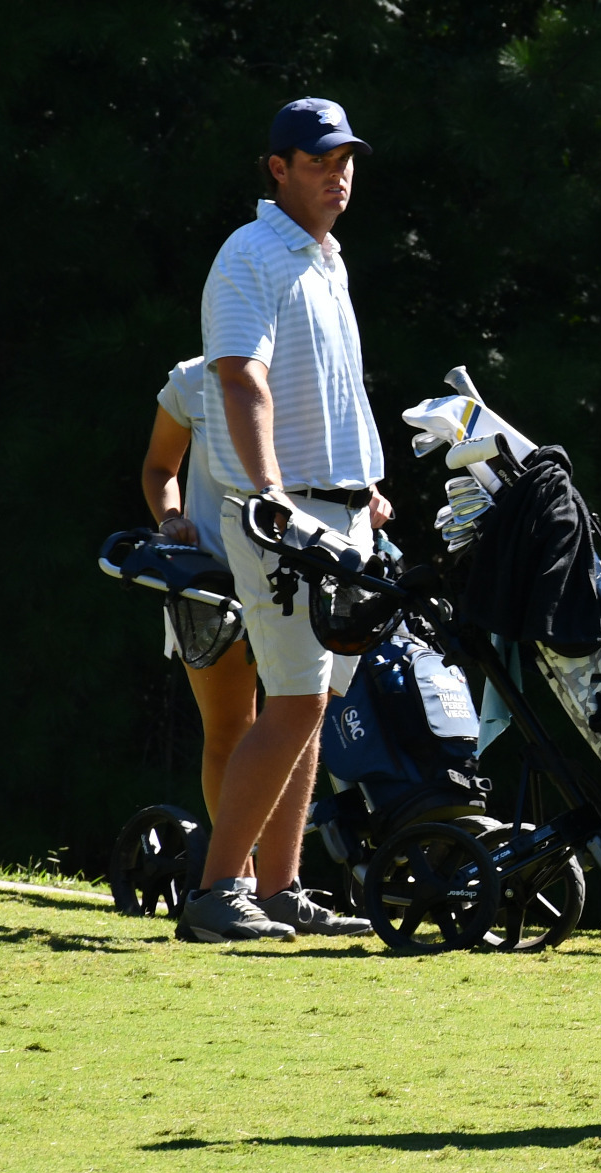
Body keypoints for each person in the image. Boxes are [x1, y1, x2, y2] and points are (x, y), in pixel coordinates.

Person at [182, 96, 385, 943]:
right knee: (295, 701)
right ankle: (216, 895)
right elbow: (239, 377)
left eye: (345, 160)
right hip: (283, 511)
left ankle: (279, 888)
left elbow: (333, 388)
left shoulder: (326, 259)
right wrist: (270, 493)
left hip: (339, 506)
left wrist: (366, 482)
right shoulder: (251, 254)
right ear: (278, 168)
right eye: (318, 161)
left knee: (310, 704)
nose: (338, 175)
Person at [142, 357, 258, 828]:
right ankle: (236, 878)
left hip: (299, 577)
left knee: (300, 729)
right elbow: (158, 468)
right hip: (212, 584)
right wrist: (170, 518)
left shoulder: (313, 372)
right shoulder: (193, 379)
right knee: (230, 732)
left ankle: (281, 879)